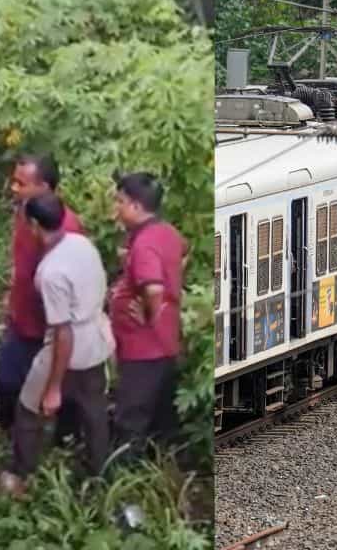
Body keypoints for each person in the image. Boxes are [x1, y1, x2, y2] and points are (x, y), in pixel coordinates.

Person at [0, 195, 112, 493]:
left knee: (28, 408)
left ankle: (21, 474)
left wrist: (52, 387)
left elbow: (63, 333)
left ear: (35, 225)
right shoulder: (82, 244)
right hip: (97, 340)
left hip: (68, 348)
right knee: (94, 410)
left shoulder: (50, 272)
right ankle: (101, 474)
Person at [0, 155, 84, 437]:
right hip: (22, 317)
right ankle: (9, 432)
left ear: (44, 186)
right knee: (8, 380)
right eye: (14, 181)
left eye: (21, 183)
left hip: (48, 326)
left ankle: (60, 441)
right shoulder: (25, 212)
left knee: (57, 385)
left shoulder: (65, 228)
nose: (14, 188)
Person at [110, 172, 187, 462]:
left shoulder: (143, 245)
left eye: (120, 201)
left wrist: (148, 311)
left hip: (143, 350)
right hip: (165, 344)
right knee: (161, 421)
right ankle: (167, 476)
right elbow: (183, 254)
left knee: (131, 421)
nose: (116, 208)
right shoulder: (166, 232)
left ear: (137, 206)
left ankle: (128, 487)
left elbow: (152, 286)